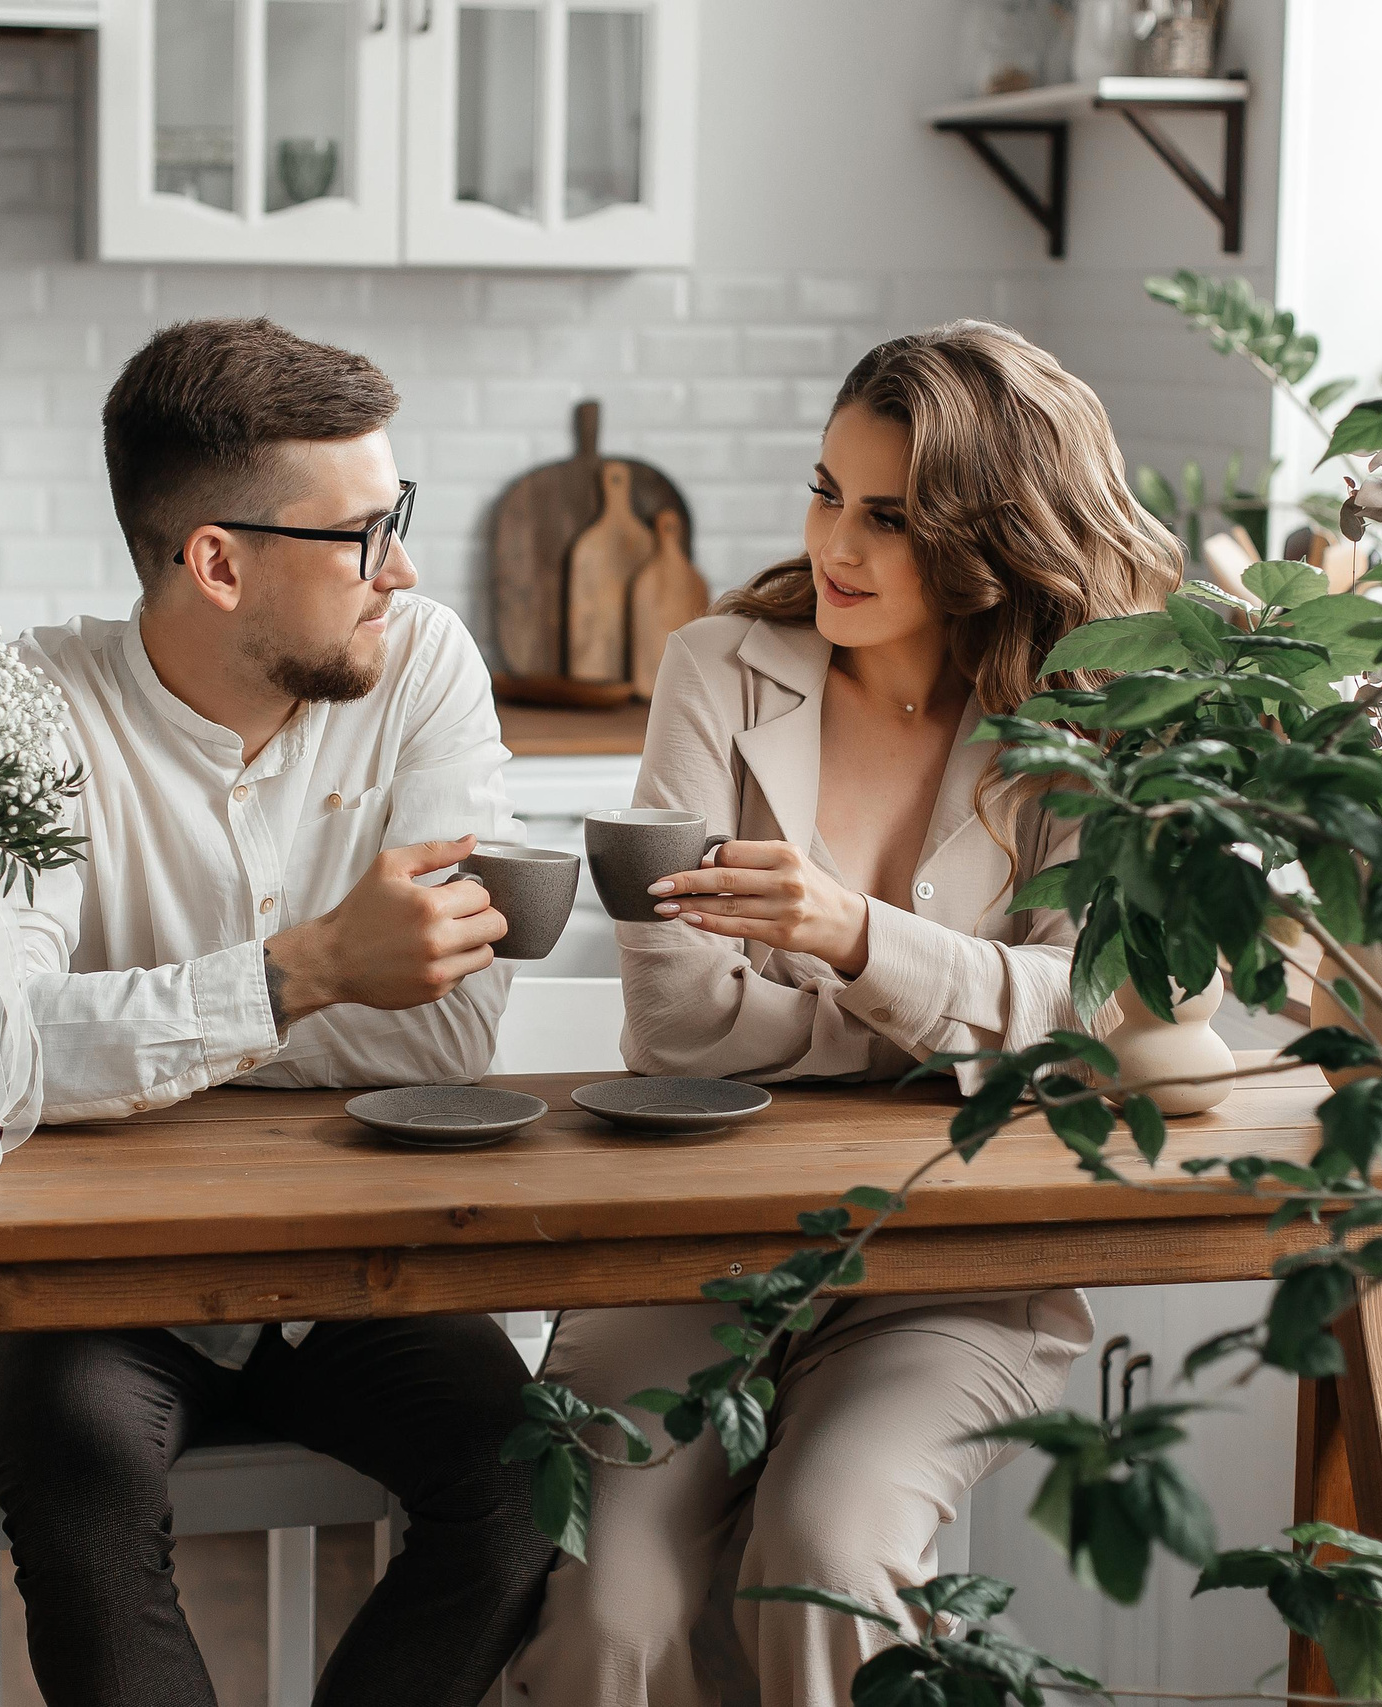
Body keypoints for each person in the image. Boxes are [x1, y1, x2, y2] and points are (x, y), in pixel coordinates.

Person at [505, 322, 1180, 1707]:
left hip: (957, 1267)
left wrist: (853, 939)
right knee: (607, 1609)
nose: (839, 545)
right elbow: (684, 1031)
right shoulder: (717, 666)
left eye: (892, 516)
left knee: (821, 1552)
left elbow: (1104, 1016)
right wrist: (953, 1025)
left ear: (999, 534)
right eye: (827, 492)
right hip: (692, 1252)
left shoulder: (1097, 719)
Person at [0, 317, 553, 1707]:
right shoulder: (30, 710)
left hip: (362, 1262)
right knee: (91, 1510)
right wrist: (310, 974)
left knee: (534, 1486)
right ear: (215, 563)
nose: (399, 567)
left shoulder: (423, 665)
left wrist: (138, 1048)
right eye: (359, 535)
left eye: (396, 517)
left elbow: (453, 1035)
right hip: (86, 1280)